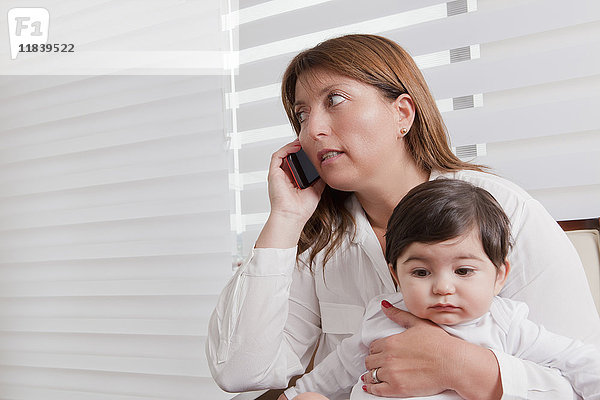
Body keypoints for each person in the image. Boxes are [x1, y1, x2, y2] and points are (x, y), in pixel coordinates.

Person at [206, 34, 600, 399]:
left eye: (335, 100)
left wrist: (462, 368)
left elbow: (583, 381)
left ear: (403, 113)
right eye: (302, 115)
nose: (313, 130)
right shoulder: (319, 239)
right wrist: (285, 219)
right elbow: (241, 373)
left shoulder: (504, 211)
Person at [282, 179, 600, 400]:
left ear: (499, 275)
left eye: (463, 270)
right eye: (421, 272)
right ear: (396, 275)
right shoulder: (381, 319)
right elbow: (332, 375)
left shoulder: (505, 324)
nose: (443, 287)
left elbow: (578, 361)